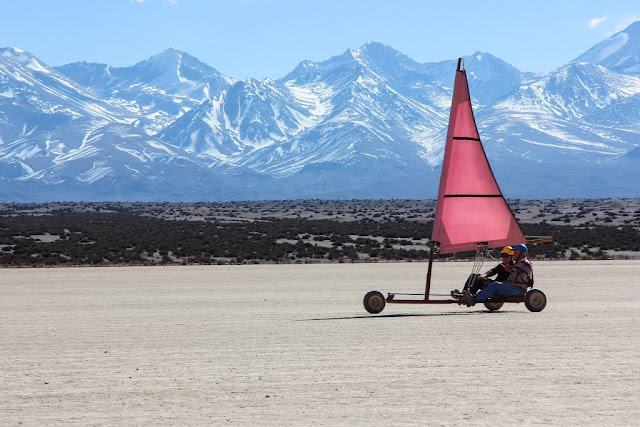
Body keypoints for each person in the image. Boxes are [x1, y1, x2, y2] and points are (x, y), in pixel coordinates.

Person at [462, 244, 533, 307]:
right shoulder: (517, 263)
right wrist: (484, 276)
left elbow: (521, 279)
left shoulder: (525, 264)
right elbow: (493, 271)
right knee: (479, 278)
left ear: (522, 254)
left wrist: (510, 271)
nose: (514, 254)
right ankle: (466, 294)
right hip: (510, 286)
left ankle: (474, 299)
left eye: (516, 252)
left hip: (518, 289)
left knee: (495, 285)